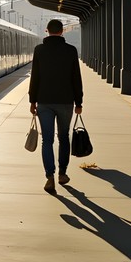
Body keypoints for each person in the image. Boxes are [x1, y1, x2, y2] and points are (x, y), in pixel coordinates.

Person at [28, 19, 83, 195]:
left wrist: (32, 100)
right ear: (62, 31)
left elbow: (34, 77)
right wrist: (79, 102)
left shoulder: (39, 50)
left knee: (47, 140)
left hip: (44, 101)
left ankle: (49, 176)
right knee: (64, 137)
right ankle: (62, 173)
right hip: (66, 102)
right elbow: (76, 78)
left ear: (47, 31)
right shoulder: (71, 51)